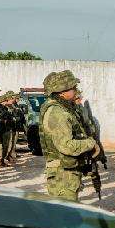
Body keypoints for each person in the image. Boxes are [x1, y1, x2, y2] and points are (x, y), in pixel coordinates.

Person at [39, 70, 99, 201]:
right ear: (62, 92)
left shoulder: (62, 108)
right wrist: (90, 143)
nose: (76, 90)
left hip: (65, 172)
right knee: (65, 217)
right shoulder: (58, 113)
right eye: (73, 87)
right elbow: (66, 146)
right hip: (63, 175)